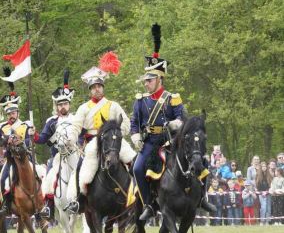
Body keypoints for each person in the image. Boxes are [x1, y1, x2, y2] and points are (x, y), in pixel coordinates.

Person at [130, 23, 213, 221]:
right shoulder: (140, 100)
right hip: (150, 142)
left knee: (200, 160)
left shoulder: (172, 97)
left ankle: (202, 197)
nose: (146, 84)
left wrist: (175, 124)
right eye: (145, 81)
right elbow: (134, 123)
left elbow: (182, 118)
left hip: (171, 141)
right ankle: (149, 204)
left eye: (149, 80)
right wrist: (135, 137)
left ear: (159, 79)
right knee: (137, 168)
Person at [65, 54, 133, 214]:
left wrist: (117, 133)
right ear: (90, 90)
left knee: (134, 161)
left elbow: (127, 124)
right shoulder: (84, 108)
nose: (97, 89)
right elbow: (75, 127)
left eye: (99, 86)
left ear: (103, 87)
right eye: (94, 87)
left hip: (114, 141)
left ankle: (139, 195)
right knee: (83, 171)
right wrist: (71, 138)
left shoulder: (113, 105)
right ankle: (78, 200)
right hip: (93, 144)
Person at [0, 79, 32, 216]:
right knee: (3, 180)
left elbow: (29, 140)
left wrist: (26, 140)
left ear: (17, 113)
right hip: (10, 160)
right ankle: (6, 204)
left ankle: (43, 204)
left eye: (13, 113)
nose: (11, 116)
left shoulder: (26, 125)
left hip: (26, 158)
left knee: (41, 174)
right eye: (9, 114)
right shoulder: (2, 127)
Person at [34, 70, 76, 217]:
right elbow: (42, 140)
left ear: (69, 104)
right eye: (60, 104)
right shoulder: (51, 122)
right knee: (50, 174)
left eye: (65, 103)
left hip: (75, 153)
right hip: (57, 157)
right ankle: (48, 205)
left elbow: (82, 135)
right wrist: (34, 134)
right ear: (56, 106)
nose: (62, 106)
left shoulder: (76, 119)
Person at [256, 161, 272, 225]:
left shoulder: (269, 175)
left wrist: (268, 191)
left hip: (268, 193)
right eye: (262, 166)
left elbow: (271, 185)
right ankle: (262, 221)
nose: (264, 167)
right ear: (261, 167)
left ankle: (267, 221)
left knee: (268, 207)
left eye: (265, 166)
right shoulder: (258, 175)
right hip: (261, 194)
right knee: (263, 207)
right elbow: (257, 185)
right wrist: (261, 192)